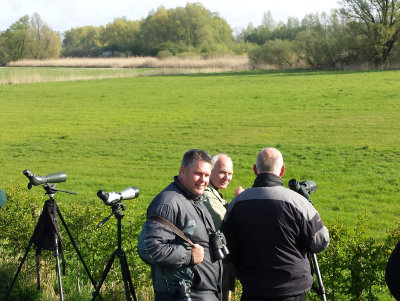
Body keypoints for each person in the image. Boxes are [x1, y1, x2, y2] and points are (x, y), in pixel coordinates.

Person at [221, 147, 330, 301]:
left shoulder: (237, 203)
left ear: (255, 170)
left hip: (253, 289)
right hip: (292, 291)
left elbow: (226, 247)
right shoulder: (298, 202)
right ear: (282, 171)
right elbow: (320, 242)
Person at [137, 149, 222, 301]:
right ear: (183, 171)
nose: (203, 180)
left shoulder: (194, 198)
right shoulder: (168, 203)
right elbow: (149, 248)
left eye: (207, 175)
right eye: (198, 174)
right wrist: (189, 256)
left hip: (204, 293)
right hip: (184, 295)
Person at [202, 154, 240, 301]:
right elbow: (227, 226)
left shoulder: (214, 193)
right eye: (222, 172)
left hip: (220, 268)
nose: (227, 177)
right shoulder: (207, 196)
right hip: (214, 271)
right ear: (210, 170)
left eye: (230, 173)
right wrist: (241, 205)